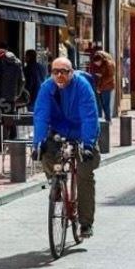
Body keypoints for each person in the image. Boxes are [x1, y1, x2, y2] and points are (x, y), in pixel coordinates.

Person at [33, 57, 101, 238]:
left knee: (84, 175)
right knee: (46, 153)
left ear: (72, 72)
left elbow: (89, 117)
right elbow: (41, 115)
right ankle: (56, 183)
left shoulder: (82, 87)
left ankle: (86, 223)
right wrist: (38, 143)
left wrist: (88, 145)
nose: (60, 75)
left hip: (82, 132)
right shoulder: (47, 88)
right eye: (55, 71)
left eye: (64, 71)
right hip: (59, 130)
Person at [92, 50, 116, 122]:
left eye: (97, 62)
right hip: (102, 86)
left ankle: (108, 119)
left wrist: (100, 87)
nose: (97, 64)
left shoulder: (109, 64)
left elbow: (110, 77)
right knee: (100, 103)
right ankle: (102, 118)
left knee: (105, 103)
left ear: (101, 60)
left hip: (107, 86)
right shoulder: (103, 64)